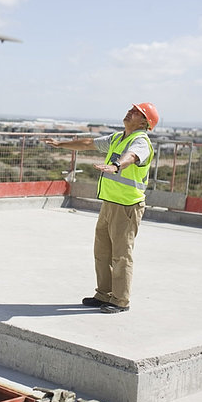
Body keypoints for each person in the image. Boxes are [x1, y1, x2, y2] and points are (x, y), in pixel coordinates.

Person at [45, 102, 159, 314]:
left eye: (137, 112)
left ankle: (120, 300)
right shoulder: (117, 138)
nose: (130, 111)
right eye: (131, 109)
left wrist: (116, 166)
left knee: (121, 255)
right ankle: (103, 294)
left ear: (144, 122)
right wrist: (61, 145)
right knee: (102, 252)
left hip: (127, 206)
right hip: (109, 203)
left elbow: (132, 157)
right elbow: (89, 143)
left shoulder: (140, 141)